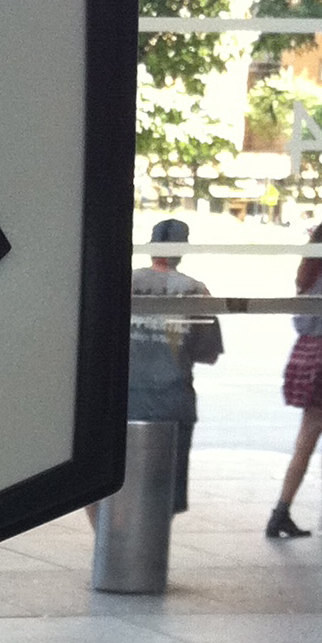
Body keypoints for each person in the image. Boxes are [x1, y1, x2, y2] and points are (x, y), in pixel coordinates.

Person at [126, 216, 221, 519]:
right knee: (164, 495)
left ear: (152, 246)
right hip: (174, 402)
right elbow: (209, 353)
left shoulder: (125, 283)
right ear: (182, 250)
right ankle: (154, 545)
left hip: (127, 401)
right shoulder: (196, 290)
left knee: (120, 489)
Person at [268, 214, 322, 538]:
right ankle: (282, 512)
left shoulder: (309, 270)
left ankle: (283, 512)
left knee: (311, 436)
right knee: (311, 436)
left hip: (307, 352)